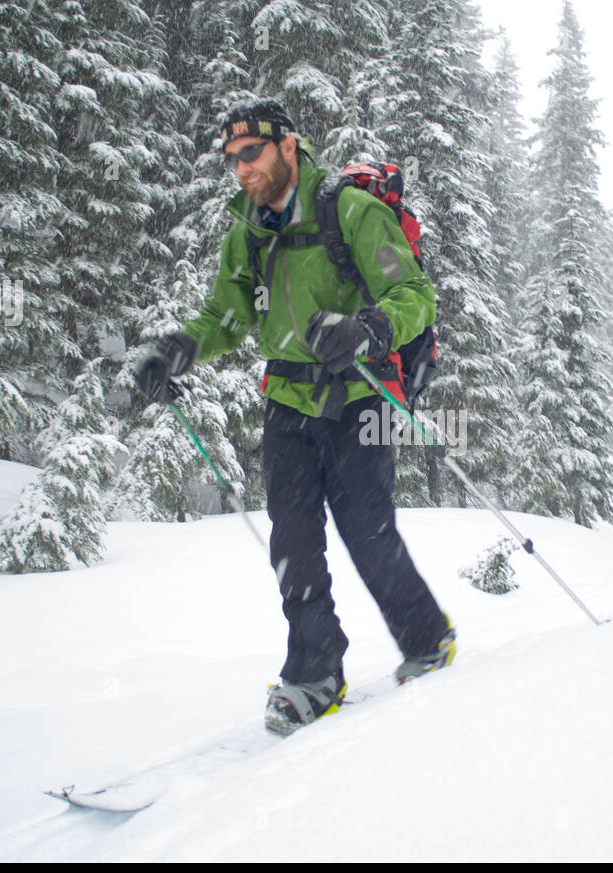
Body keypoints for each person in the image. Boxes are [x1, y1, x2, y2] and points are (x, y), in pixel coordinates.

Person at [134, 98, 456, 735]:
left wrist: (368, 327)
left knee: (367, 531)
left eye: (250, 152)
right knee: (294, 541)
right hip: (285, 403)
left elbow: (413, 292)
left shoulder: (350, 212)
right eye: (231, 159)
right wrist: (179, 350)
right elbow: (227, 317)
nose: (241, 168)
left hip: (357, 396)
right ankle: (314, 673)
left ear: (288, 145)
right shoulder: (248, 233)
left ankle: (426, 638)